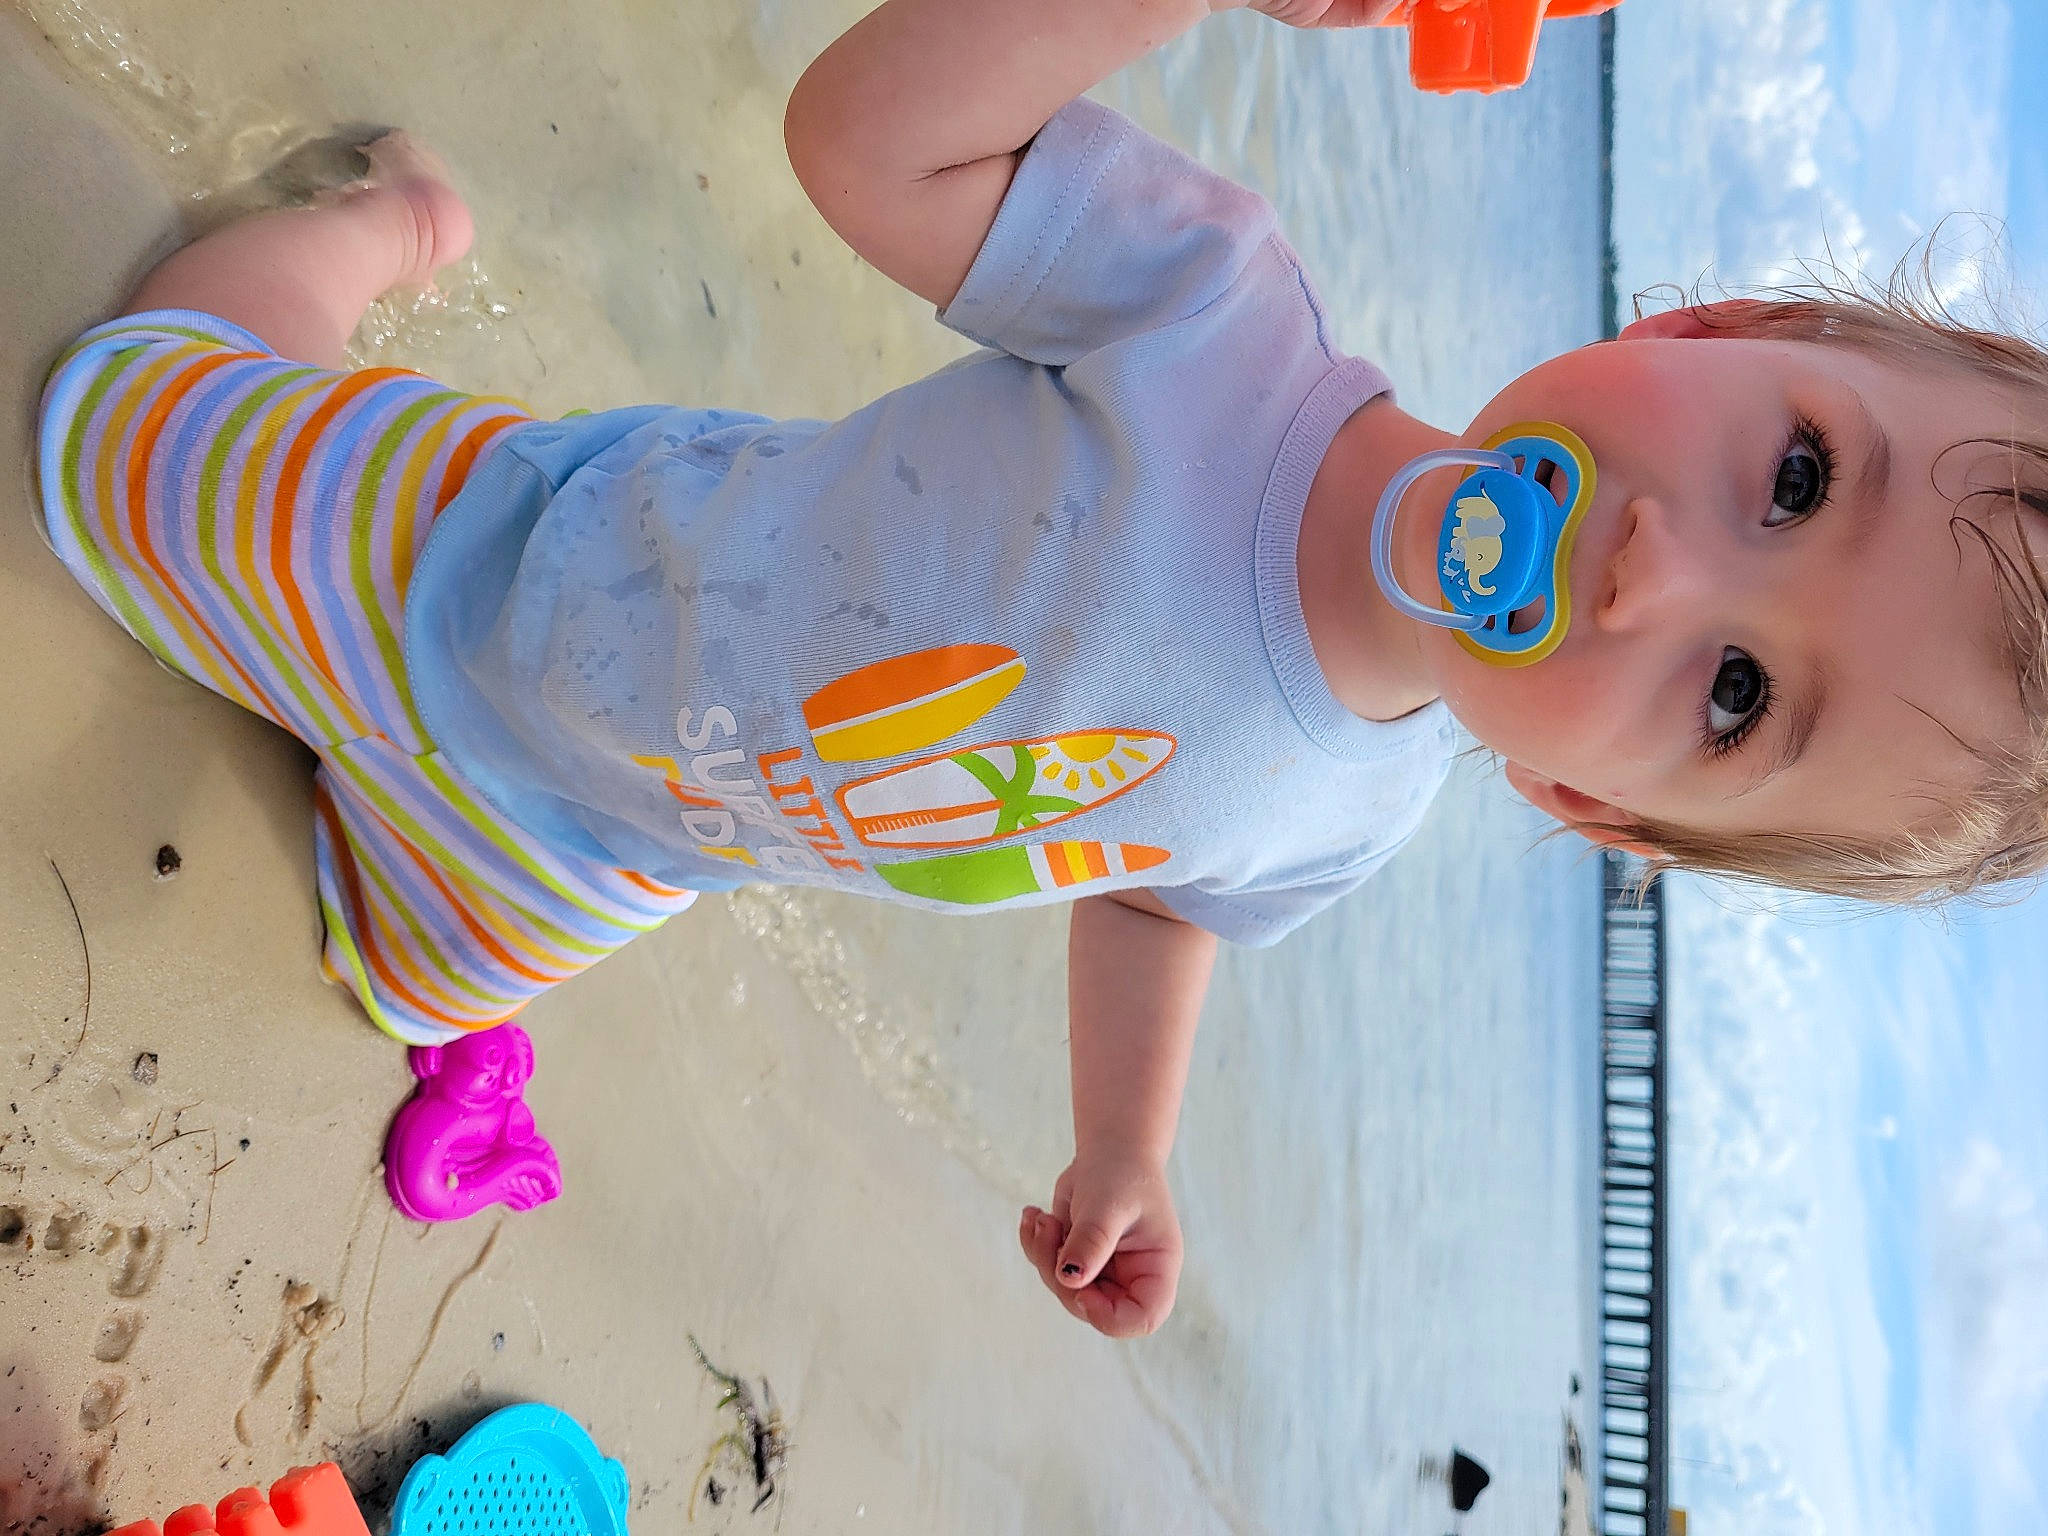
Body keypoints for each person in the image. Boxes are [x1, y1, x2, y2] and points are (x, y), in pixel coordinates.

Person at [36, 0, 2048, 1338]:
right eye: (1793, 478)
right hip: (492, 559)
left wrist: (1124, 1147)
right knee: (103, 440)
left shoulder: (1354, 803)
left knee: (386, 975)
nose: (1649, 570)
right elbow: (866, 137)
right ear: (1712, 326)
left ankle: (379, 776)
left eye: (1731, 698)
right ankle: (357, 249)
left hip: (611, 847)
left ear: (1594, 806)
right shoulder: (1212, 319)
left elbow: (1157, 885)